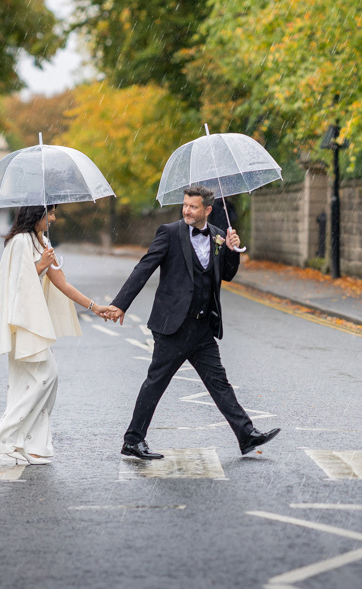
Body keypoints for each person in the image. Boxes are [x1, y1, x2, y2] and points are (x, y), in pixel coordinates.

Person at [110, 186, 280, 460]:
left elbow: (227, 275)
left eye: (193, 206)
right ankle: (133, 440)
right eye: (185, 205)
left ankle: (246, 434)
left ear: (208, 210)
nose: (187, 210)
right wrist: (121, 304)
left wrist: (232, 250)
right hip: (173, 327)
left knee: (219, 383)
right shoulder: (169, 232)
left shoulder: (218, 236)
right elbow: (144, 267)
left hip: (202, 327)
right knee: (156, 383)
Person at [0, 205, 119, 464]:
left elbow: (62, 283)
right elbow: (15, 283)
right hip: (23, 322)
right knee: (46, 376)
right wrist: (40, 264)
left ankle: (34, 446)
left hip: (36, 320)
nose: (53, 218)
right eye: (50, 213)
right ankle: (5, 437)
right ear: (36, 214)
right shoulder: (20, 241)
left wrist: (95, 307)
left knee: (42, 382)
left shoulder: (42, 241)